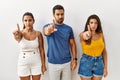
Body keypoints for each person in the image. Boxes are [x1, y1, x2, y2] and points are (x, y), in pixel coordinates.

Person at [43, 5, 77, 80]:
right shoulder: (48, 26)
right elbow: (46, 32)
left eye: (62, 14)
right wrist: (49, 30)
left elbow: (73, 44)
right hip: (53, 63)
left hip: (67, 63)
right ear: (53, 15)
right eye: (58, 14)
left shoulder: (69, 29)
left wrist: (75, 59)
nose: (60, 16)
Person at [13, 12, 46, 80]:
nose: (28, 22)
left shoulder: (38, 34)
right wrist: (15, 35)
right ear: (23, 22)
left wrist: (43, 65)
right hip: (23, 61)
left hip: (36, 61)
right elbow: (17, 38)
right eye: (25, 20)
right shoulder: (20, 33)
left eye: (30, 20)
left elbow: (42, 50)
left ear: (33, 21)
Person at [78, 14, 108, 80]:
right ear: (88, 24)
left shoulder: (101, 35)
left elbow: (104, 51)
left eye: (96, 23)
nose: (93, 25)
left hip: (99, 62)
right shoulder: (82, 34)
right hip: (86, 62)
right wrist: (86, 35)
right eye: (91, 22)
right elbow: (83, 36)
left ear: (98, 24)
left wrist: (105, 67)